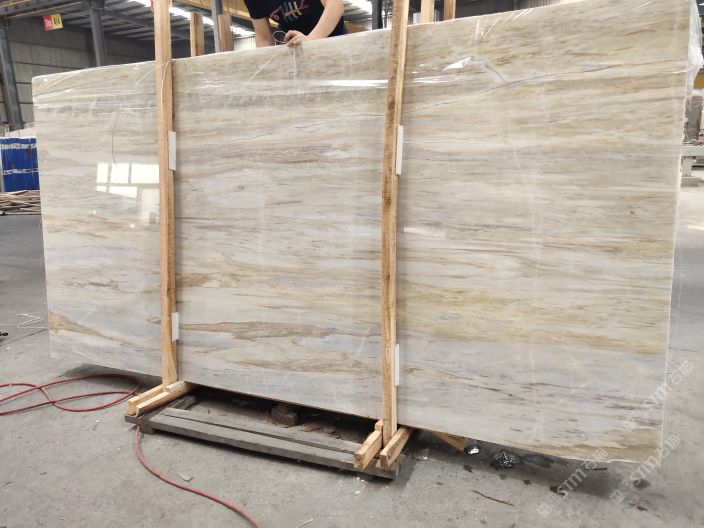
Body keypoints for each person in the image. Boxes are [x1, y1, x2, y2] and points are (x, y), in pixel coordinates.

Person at [244, 0, 346, 48]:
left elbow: (335, 4)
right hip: (299, 52)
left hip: (335, 44)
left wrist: (311, 39)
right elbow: (264, 39)